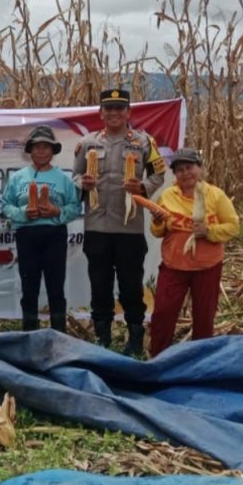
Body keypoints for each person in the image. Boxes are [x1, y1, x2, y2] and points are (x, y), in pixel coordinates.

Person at [72, 89, 166, 355]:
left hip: (129, 228)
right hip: (97, 227)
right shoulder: (87, 143)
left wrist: (143, 187)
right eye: (109, 108)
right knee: (99, 284)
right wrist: (82, 183)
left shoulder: (144, 142)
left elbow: (159, 173)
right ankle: (103, 337)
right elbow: (75, 175)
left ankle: (134, 338)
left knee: (131, 285)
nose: (114, 113)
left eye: (119, 108)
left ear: (128, 113)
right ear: (101, 113)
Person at [147, 148, 239, 356]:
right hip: (174, 266)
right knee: (163, 314)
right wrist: (157, 222)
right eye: (179, 170)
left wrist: (209, 231)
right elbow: (157, 232)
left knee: (204, 316)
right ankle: (158, 358)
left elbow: (233, 227)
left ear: (200, 168)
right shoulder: (167, 196)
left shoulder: (216, 195)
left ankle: (200, 360)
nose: (185, 173)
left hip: (207, 267)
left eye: (189, 167)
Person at [2, 125, 82, 332]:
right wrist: (23, 213)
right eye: (37, 147)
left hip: (54, 235)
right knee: (29, 287)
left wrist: (57, 211)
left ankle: (59, 334)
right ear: (30, 150)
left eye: (46, 147)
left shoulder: (63, 179)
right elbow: (6, 205)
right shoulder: (18, 177)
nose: (41, 151)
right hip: (27, 235)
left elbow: (75, 207)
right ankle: (29, 332)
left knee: (56, 287)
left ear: (52, 151)